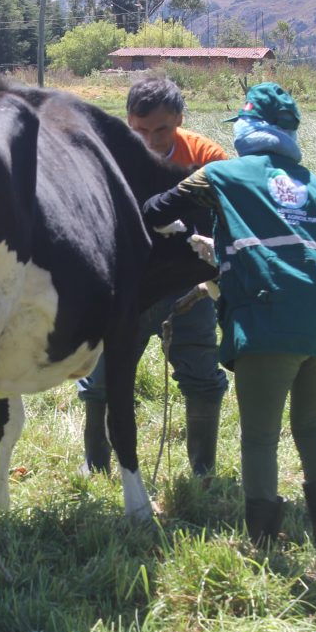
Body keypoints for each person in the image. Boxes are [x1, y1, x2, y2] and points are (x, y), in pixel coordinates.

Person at [140, 82, 316, 570]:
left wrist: (182, 235)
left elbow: (155, 210)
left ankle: (262, 549)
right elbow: (307, 247)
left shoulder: (220, 174)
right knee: (314, 425)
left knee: (259, 436)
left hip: (272, 315)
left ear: (249, 130)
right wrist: (220, 251)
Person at [77, 75, 229, 478]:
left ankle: (203, 474)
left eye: (161, 129)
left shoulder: (205, 155)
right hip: (123, 286)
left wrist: (208, 267)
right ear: (127, 121)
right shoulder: (106, 154)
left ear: (179, 118)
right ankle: (96, 466)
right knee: (100, 379)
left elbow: (232, 219)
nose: (149, 141)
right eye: (138, 130)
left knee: (201, 377)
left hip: (186, 285)